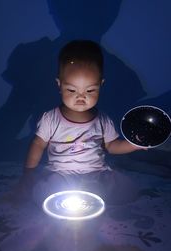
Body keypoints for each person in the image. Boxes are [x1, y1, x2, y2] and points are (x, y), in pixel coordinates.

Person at [16, 40, 146, 206]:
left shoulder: (102, 119)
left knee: (127, 189)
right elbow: (38, 144)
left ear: (101, 85)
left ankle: (92, 194)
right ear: (59, 85)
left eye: (90, 90)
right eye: (72, 90)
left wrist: (134, 144)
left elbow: (112, 146)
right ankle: (70, 196)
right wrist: (29, 172)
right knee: (48, 190)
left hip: (95, 172)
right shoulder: (51, 118)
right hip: (61, 173)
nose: (81, 96)